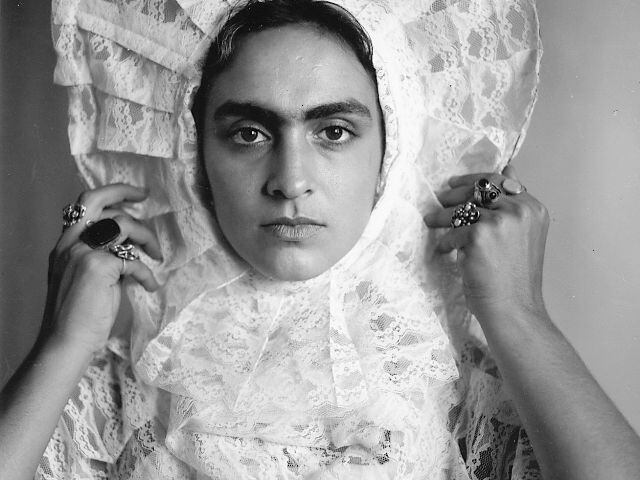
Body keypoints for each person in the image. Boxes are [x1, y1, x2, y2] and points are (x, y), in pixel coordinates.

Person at [1, 0, 640, 479]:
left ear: (392, 151)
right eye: (249, 133)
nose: (290, 181)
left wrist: (521, 317)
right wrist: (62, 345)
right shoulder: (127, 383)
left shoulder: (453, 383)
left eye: (333, 131)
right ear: (195, 157)